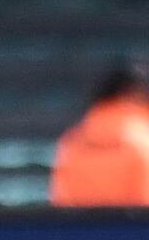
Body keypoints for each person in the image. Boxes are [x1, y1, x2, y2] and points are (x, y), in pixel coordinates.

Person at [50, 63, 149, 208]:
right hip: (135, 227)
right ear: (135, 93)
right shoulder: (143, 137)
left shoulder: (72, 141)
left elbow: (61, 200)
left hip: (80, 228)